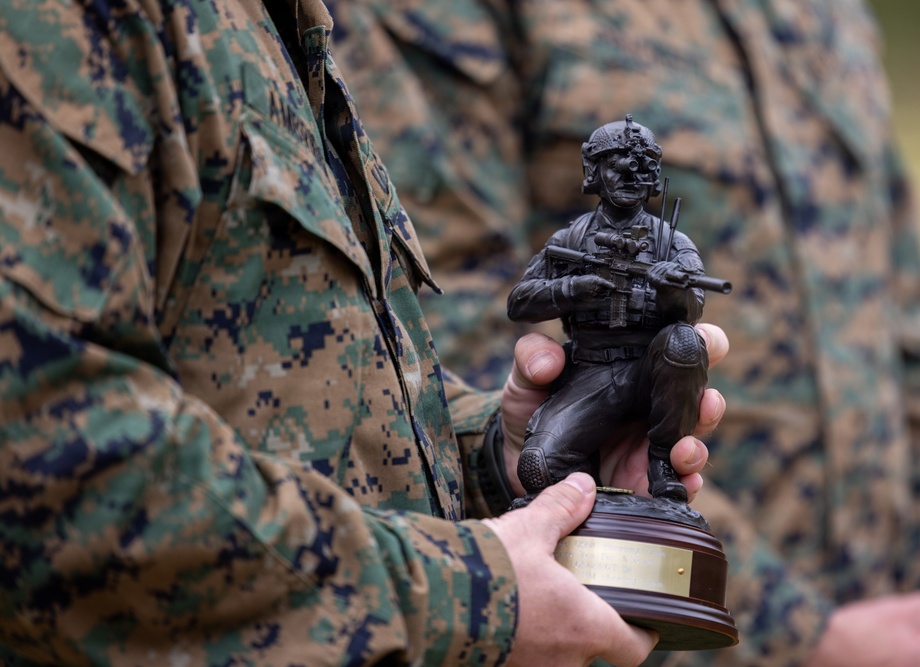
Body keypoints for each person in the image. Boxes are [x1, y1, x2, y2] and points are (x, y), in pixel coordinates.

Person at [0, 2, 728, 666]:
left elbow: (297, 371)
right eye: (616, 167)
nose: (633, 178)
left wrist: (486, 454)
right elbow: (51, 456)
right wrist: (469, 595)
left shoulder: (278, 28)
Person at [326, 1, 920, 665]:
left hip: (895, 621)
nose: (636, 179)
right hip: (628, 624)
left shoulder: (829, 15)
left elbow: (905, 339)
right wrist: (796, 637)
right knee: (539, 462)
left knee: (682, 349)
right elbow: (432, 329)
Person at [507, 115, 713, 512]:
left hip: (650, 371)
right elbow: (519, 302)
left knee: (686, 342)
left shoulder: (672, 242)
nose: (628, 174)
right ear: (594, 172)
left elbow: (695, 305)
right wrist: (573, 289)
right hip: (591, 371)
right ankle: (589, 485)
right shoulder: (571, 239)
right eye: (616, 163)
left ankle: (664, 468)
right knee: (535, 469)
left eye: (640, 167)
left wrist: (671, 290)